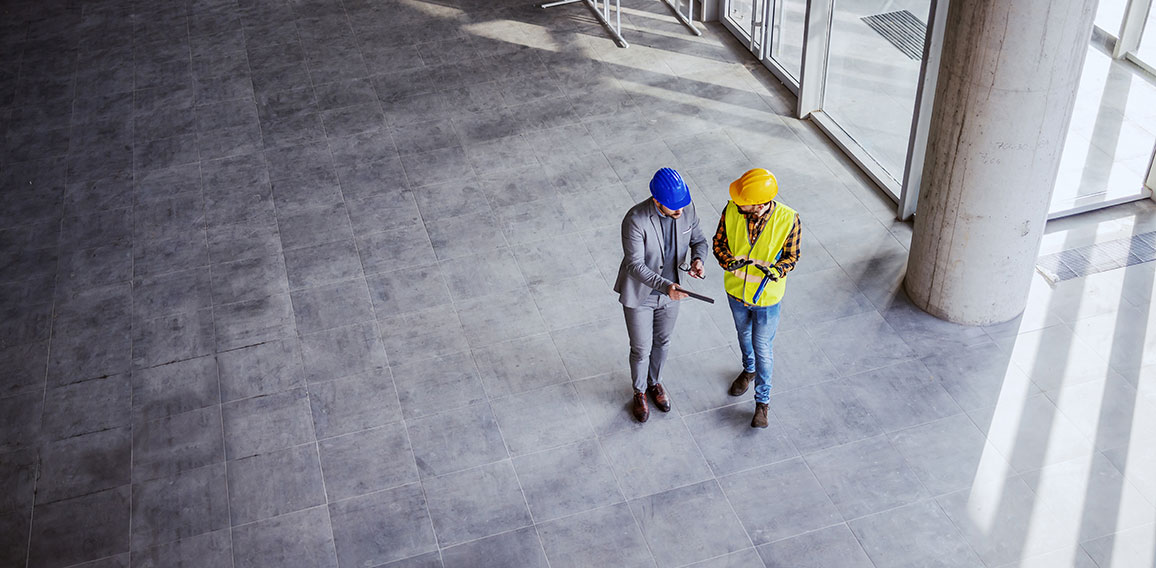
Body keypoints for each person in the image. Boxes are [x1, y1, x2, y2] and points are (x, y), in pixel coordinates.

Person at [614, 168, 708, 423]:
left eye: (681, 207)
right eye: (673, 209)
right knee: (641, 348)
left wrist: (698, 259)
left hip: (671, 294)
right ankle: (639, 391)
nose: (679, 213)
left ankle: (655, 383)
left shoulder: (685, 208)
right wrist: (666, 286)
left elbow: (699, 240)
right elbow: (635, 265)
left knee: (663, 342)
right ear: (657, 201)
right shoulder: (635, 219)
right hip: (642, 296)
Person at [713, 168, 800, 428]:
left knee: (762, 347)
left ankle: (762, 402)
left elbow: (791, 257)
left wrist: (776, 271)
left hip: (766, 299)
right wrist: (728, 261)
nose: (737, 203)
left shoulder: (788, 219)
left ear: (760, 204)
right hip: (736, 291)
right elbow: (719, 243)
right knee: (743, 335)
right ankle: (748, 369)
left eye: (744, 201)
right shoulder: (731, 209)